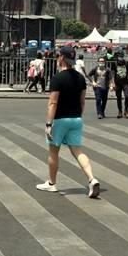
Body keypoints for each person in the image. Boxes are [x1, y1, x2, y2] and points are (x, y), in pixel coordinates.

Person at [37, 46, 101, 197]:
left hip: (60, 120)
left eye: (58, 55)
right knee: (78, 151)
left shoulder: (57, 78)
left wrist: (48, 124)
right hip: (76, 119)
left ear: (62, 58)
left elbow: (53, 103)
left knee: (54, 151)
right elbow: (82, 102)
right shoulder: (80, 79)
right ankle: (92, 179)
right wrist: (78, 115)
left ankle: (52, 183)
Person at [112, 52, 128, 119]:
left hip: (125, 83)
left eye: (122, 57)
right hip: (117, 83)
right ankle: (120, 111)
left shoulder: (127, 63)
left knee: (127, 96)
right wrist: (113, 83)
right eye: (119, 57)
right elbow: (112, 74)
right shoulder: (114, 64)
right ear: (117, 58)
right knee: (119, 97)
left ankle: (126, 110)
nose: (120, 58)